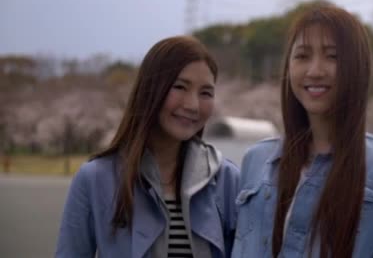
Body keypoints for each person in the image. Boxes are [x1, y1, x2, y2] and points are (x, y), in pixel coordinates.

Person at [232, 5, 373, 257]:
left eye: (333, 56)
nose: (315, 70)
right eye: (302, 56)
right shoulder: (256, 159)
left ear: (358, 68)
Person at [56, 36, 239, 258]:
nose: (192, 104)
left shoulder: (227, 179)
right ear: (150, 89)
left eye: (206, 93)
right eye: (180, 87)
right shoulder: (95, 179)